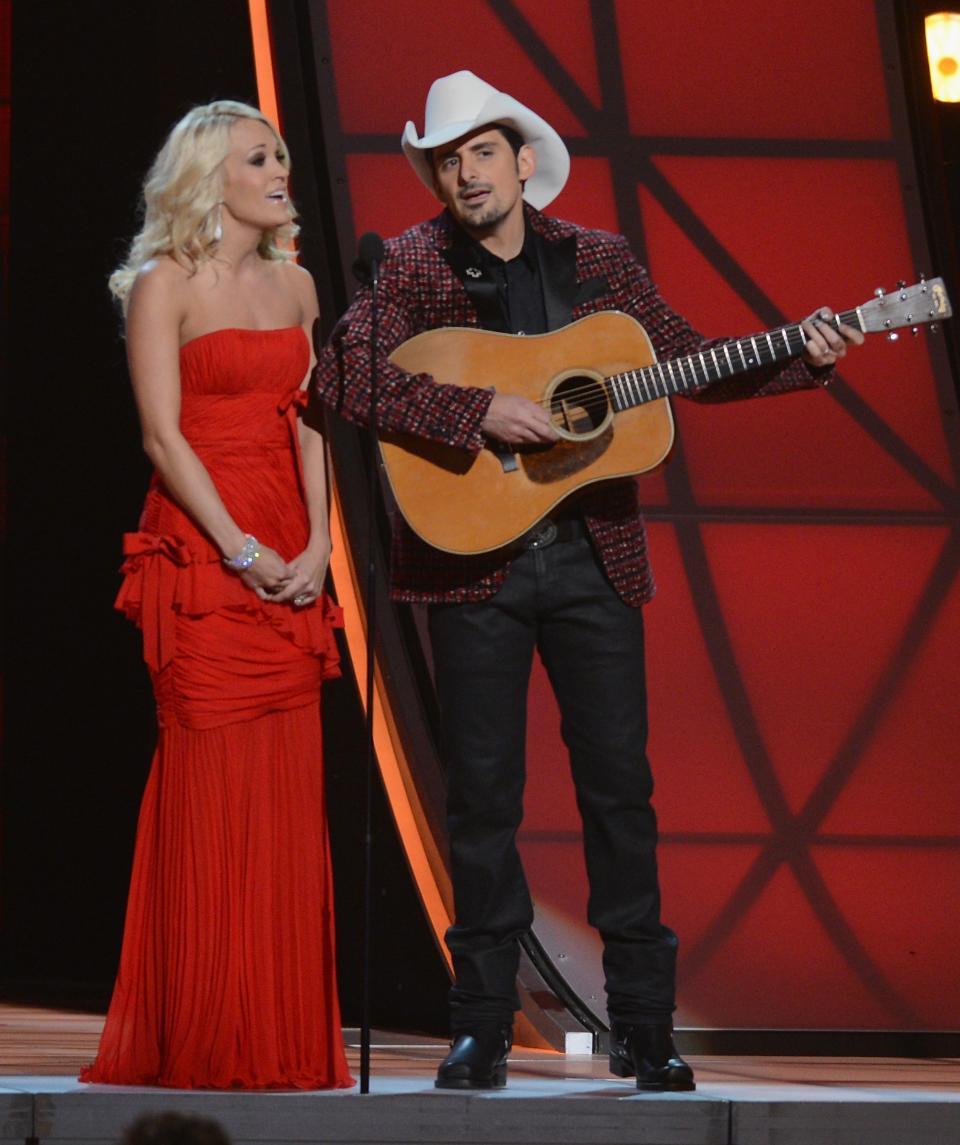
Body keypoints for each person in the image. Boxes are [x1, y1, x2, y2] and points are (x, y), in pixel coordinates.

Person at [314, 71, 863, 1092]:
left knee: (621, 790)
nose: (463, 172)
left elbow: (689, 361)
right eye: (446, 157)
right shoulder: (414, 264)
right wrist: (475, 411)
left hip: (592, 560)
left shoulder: (600, 261)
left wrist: (807, 354)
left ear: (523, 161)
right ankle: (479, 1023)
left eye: (480, 151)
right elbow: (341, 375)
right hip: (470, 565)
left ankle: (646, 1028)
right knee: (483, 797)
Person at [81, 100, 352, 1090]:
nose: (281, 168)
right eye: (259, 157)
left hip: (292, 552)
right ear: (211, 175)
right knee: (211, 786)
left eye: (280, 154)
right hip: (204, 560)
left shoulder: (297, 282)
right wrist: (240, 549)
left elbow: (315, 418)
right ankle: (202, 1030)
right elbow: (162, 436)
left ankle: (275, 1036)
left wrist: (322, 542)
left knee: (283, 793)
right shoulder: (164, 284)